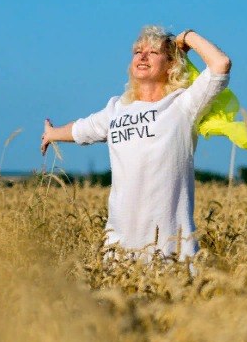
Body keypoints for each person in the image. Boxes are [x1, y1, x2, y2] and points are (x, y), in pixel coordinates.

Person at [41, 26, 231, 259]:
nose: (142, 56)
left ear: (171, 63)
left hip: (172, 250)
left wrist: (186, 38)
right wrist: (52, 133)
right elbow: (81, 129)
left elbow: (220, 64)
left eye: (153, 52)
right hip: (119, 251)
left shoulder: (184, 104)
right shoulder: (117, 108)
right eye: (138, 51)